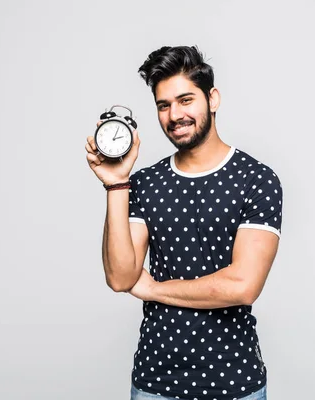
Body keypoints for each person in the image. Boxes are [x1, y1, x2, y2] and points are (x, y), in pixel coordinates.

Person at [85, 45, 282, 400]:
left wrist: (154, 289)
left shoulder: (256, 180)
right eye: (164, 105)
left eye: (186, 100)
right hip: (154, 385)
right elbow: (120, 276)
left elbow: (242, 285)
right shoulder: (145, 183)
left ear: (213, 99)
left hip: (235, 384)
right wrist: (116, 183)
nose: (175, 114)